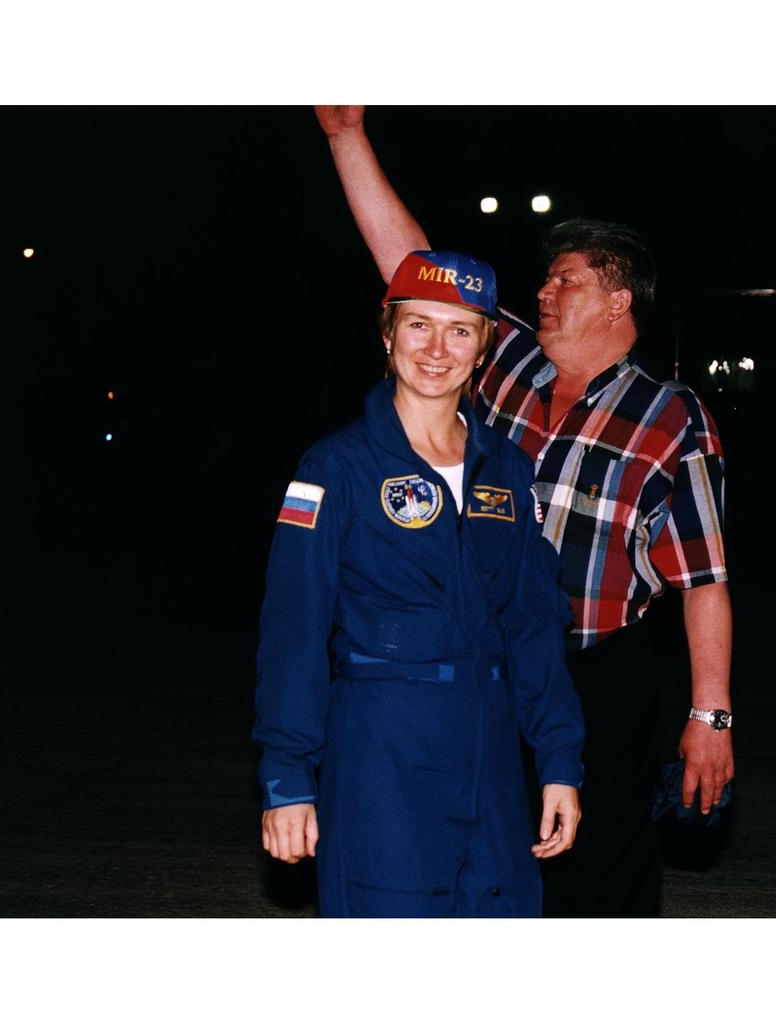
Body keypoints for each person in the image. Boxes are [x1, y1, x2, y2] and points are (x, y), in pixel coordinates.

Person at [315, 106, 734, 917]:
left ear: (617, 300)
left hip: (600, 677)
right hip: (488, 662)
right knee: (484, 868)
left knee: (597, 887)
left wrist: (709, 716)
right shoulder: (506, 365)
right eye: (545, 279)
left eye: (565, 280)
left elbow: (704, 578)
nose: (542, 290)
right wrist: (346, 137)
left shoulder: (671, 417)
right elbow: (413, 269)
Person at [253, 248, 585, 917]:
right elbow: (294, 628)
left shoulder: (508, 470)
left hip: (491, 757)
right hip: (383, 753)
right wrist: (288, 778)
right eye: (418, 325)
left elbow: (532, 624)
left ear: (483, 348)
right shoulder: (335, 467)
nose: (437, 349)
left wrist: (558, 761)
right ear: (387, 335)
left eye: (459, 330)